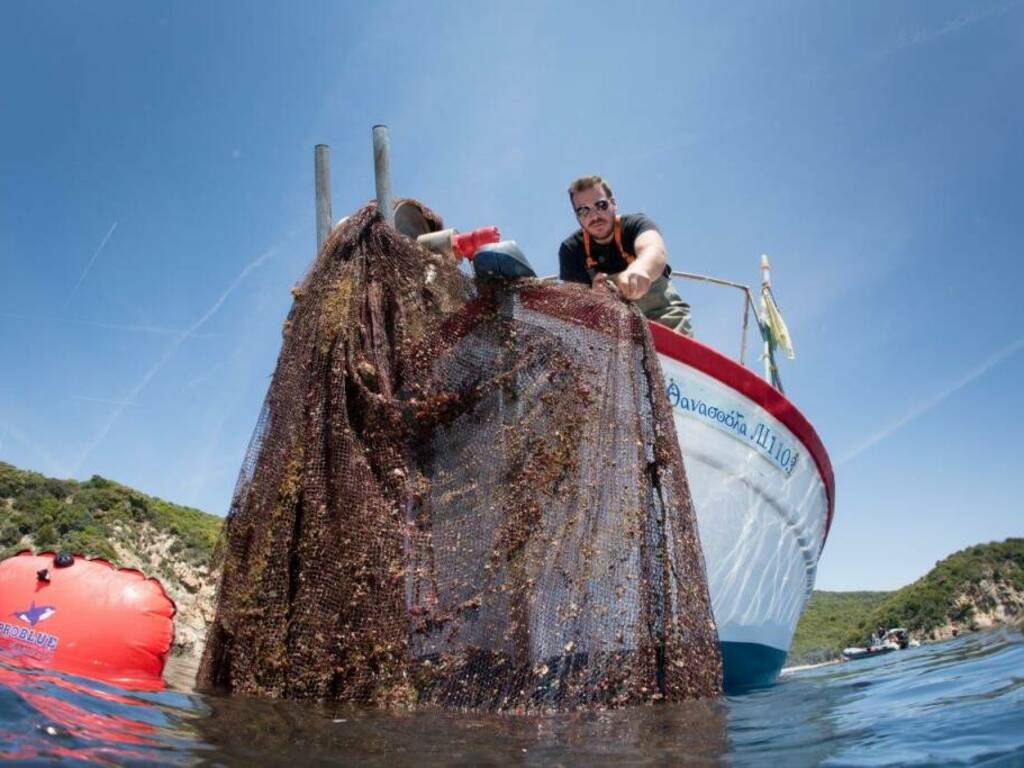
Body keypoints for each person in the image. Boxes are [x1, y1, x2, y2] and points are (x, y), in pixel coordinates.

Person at [558, 175, 692, 336]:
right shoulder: (571, 250)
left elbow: (654, 248)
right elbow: (575, 305)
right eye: (583, 210)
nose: (594, 216)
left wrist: (641, 271)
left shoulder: (636, 224)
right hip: (612, 334)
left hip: (664, 321)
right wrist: (593, 299)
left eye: (600, 205)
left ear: (613, 203)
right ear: (576, 216)